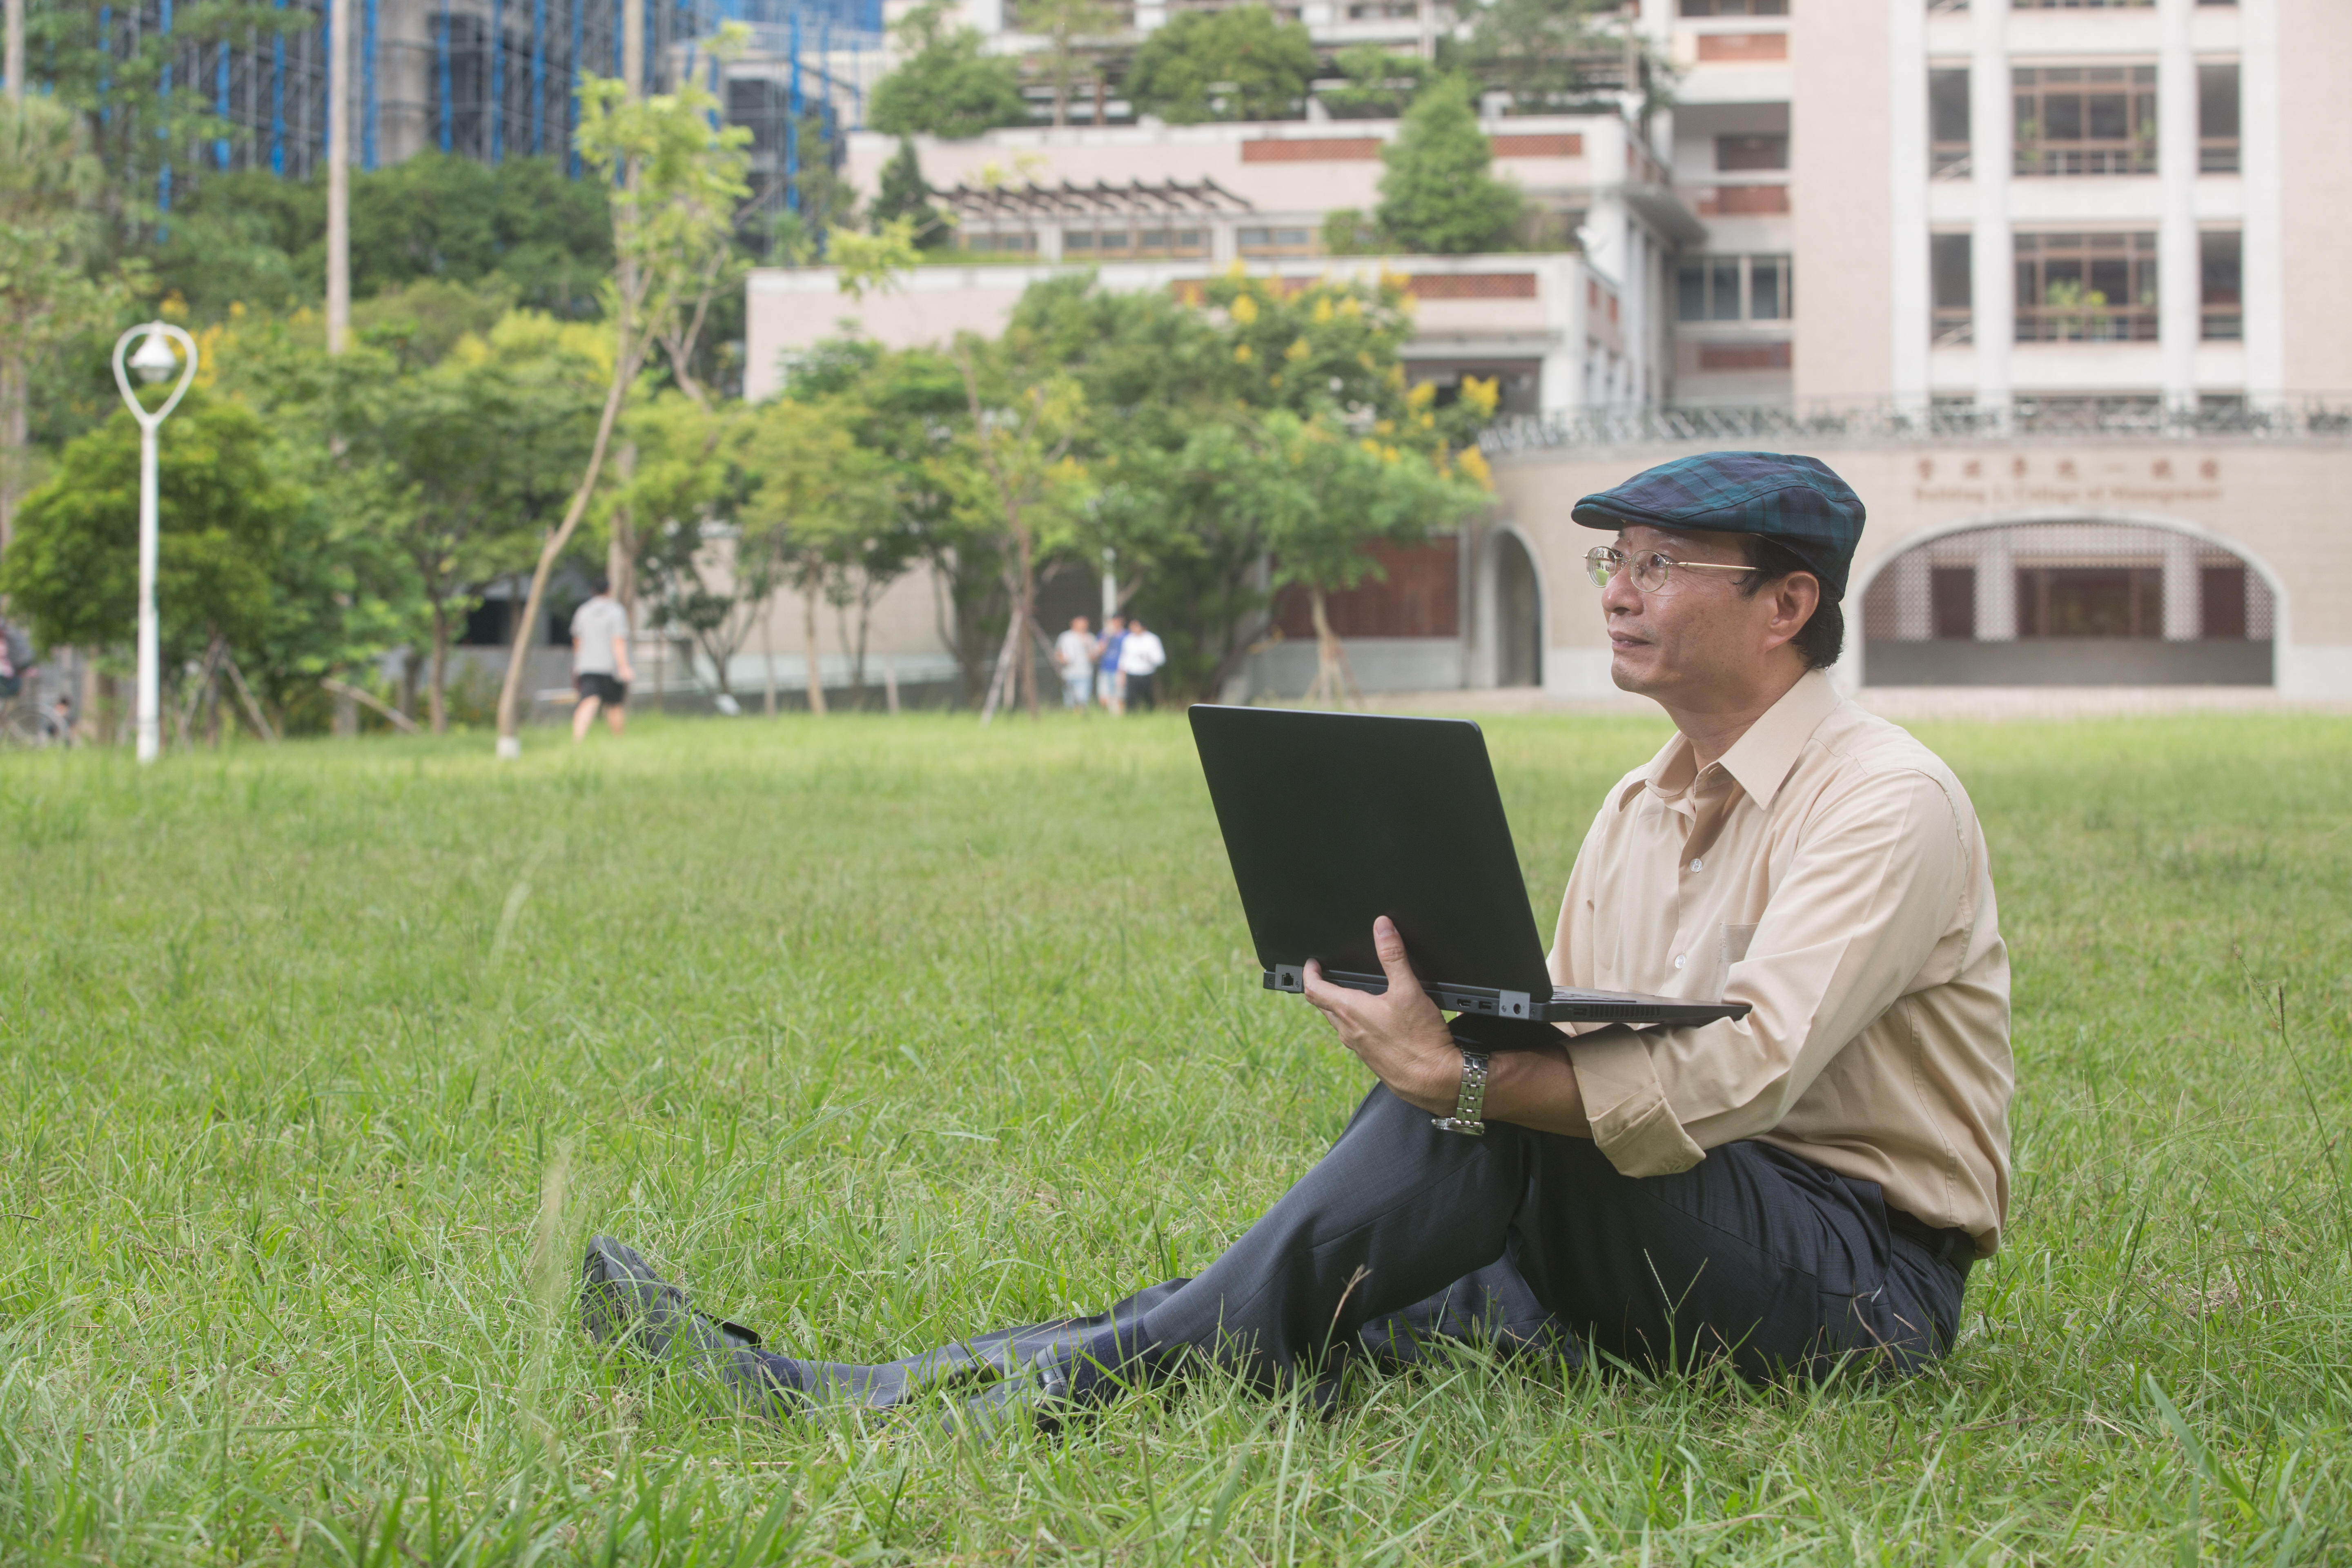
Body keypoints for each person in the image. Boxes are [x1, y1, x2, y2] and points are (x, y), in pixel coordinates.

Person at [583, 451, 2011, 1432]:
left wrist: (1459, 1081)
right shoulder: (1641, 799)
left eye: (1663, 564)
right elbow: (1570, 1032)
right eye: (1613, 560)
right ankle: (860, 1385)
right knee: (1284, 1300)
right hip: (1653, 1224)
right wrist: (1456, 1034)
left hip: (1850, 1281)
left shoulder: (1888, 801)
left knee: (1468, 1134)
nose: (1620, 590)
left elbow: (1746, 1069)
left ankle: (927, 1401)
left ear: (1788, 604)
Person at [570, 576, 635, 742]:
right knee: (614, 705)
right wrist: (624, 667)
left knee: (588, 702)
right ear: (609, 590)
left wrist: (579, 663)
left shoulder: (583, 611)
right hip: (610, 668)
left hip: (588, 666)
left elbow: (577, 640)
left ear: (592, 591)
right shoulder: (616, 611)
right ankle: (619, 741)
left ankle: (577, 740)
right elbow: (618, 641)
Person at [1118, 615, 1167, 712]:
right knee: (1131, 700)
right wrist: (1122, 675)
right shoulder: (1128, 640)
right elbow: (1124, 659)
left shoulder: (1153, 640)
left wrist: (1148, 658)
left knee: (1148, 698)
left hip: (1147, 673)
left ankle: (1150, 714)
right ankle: (1131, 717)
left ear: (1143, 627)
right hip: (1132, 673)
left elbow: (1161, 659)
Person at [1054, 615, 1098, 711]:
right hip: (1068, 674)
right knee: (1069, 701)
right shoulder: (1065, 637)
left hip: (1085, 674)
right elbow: (1058, 653)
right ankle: (1071, 719)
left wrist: (1089, 651)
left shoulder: (1090, 638)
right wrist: (1063, 660)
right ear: (1073, 623)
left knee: (1082, 700)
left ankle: (1080, 719)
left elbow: (1095, 658)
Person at [1094, 614, 1128, 716]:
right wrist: (1107, 636)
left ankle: (1119, 717)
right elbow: (1099, 651)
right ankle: (1109, 715)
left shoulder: (1127, 635)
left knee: (1120, 697)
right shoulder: (1104, 635)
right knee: (1103, 698)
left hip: (1121, 670)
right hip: (1105, 669)